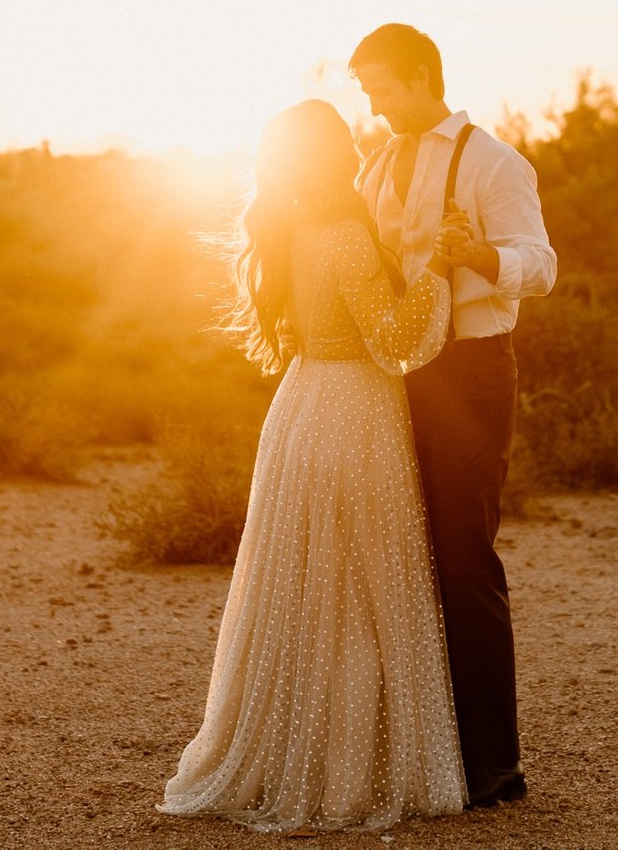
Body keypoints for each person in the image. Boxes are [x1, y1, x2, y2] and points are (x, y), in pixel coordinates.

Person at [159, 100, 468, 833]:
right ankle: (344, 780)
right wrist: (440, 271)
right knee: (363, 592)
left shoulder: (286, 230)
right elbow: (393, 338)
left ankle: (298, 760)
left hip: (300, 407)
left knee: (304, 592)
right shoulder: (346, 235)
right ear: (339, 155)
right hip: (353, 411)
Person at [349, 23, 557, 809]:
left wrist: (478, 257)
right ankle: (420, 752)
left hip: (470, 372)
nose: (374, 107)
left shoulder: (494, 161)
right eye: (366, 93)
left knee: (465, 558)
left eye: (383, 90)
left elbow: (541, 264)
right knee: (399, 556)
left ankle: (493, 766)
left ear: (423, 76)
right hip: (391, 375)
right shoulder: (375, 165)